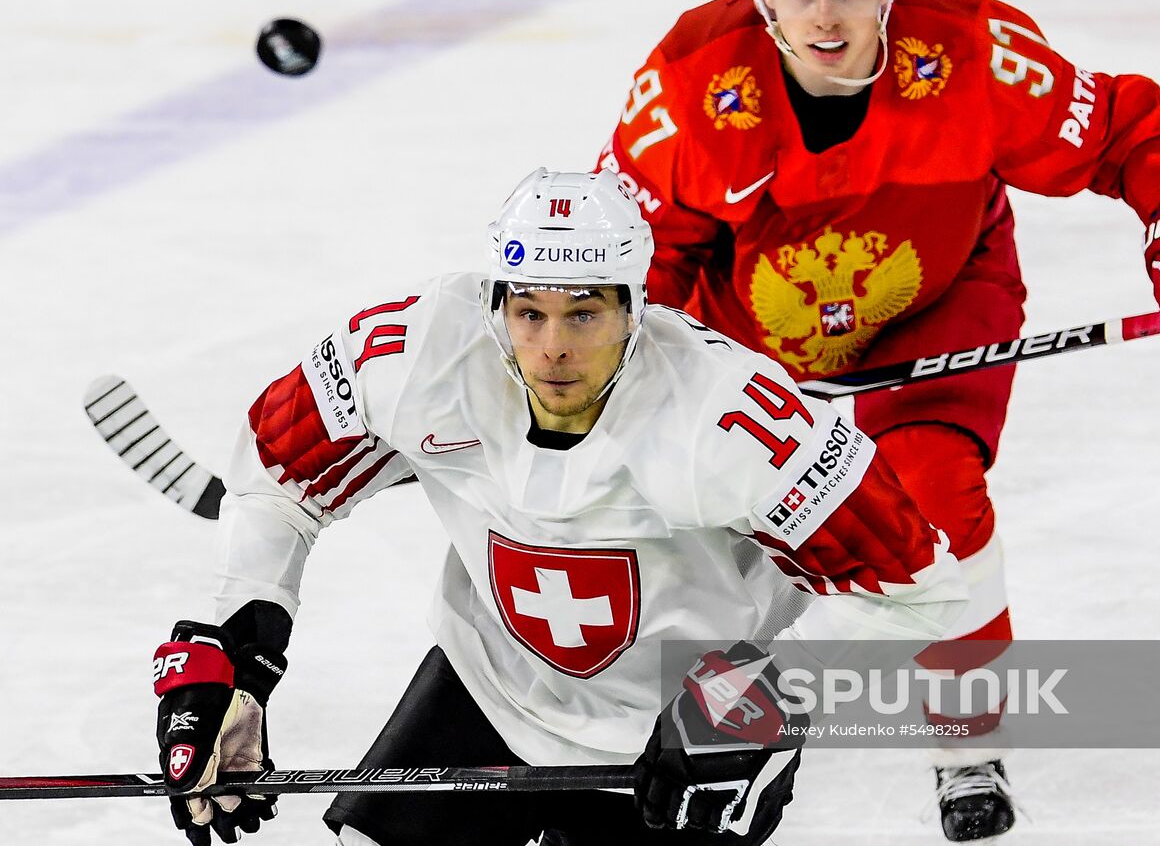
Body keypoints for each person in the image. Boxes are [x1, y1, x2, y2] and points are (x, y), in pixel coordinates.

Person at [597, 0, 1160, 842]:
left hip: (938, 308)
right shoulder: (690, 89)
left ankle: (965, 735)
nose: (826, 18)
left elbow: (1121, 126)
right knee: (701, 548)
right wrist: (646, 390)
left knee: (933, 493)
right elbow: (635, 268)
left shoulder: (974, 57)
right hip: (752, 346)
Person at [150, 167, 968, 846]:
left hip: (682, 725)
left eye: (585, 313)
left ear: (634, 309)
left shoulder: (726, 419)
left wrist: (766, 698)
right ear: (496, 302)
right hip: (492, 682)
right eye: (529, 311)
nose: (552, 349)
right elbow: (277, 475)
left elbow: (914, 587)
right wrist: (240, 647)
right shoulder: (418, 352)